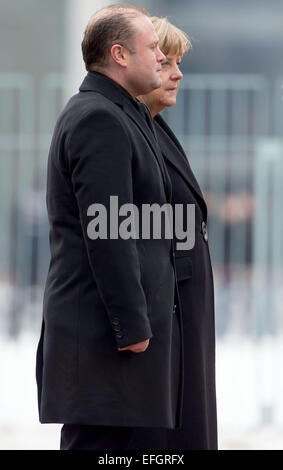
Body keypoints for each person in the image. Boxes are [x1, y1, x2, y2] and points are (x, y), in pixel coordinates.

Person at [35, 4, 184, 450]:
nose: (162, 58)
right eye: (154, 48)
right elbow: (110, 234)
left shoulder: (120, 114)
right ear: (120, 55)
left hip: (113, 342)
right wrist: (132, 328)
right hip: (107, 343)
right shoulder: (100, 118)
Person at [136, 16, 218, 450]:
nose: (177, 73)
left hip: (183, 317)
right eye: (165, 62)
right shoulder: (125, 130)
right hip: (164, 320)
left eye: (178, 62)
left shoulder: (155, 128)